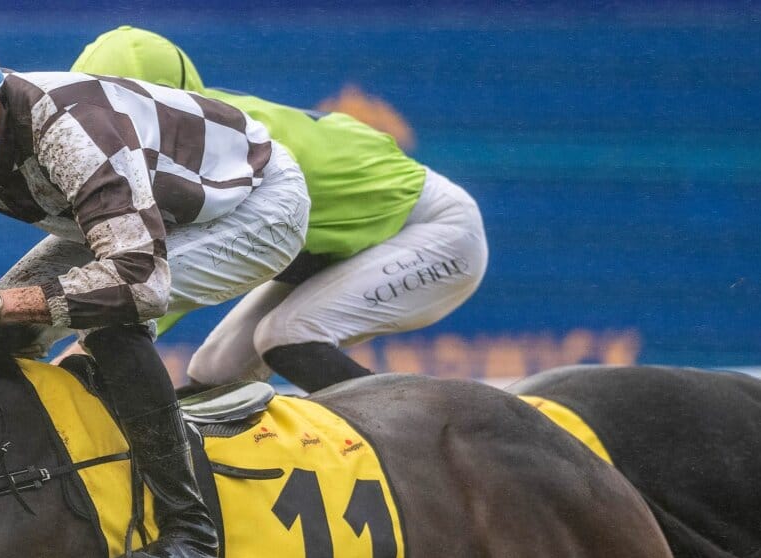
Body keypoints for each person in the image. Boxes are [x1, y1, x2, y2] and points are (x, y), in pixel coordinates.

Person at [0, 18, 310, 558]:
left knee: (106, 316)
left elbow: (138, 282)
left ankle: (194, 538)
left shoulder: (68, 132)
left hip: (256, 207)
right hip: (145, 214)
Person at [73, 26, 488, 393]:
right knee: (215, 371)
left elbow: (155, 280)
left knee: (289, 337)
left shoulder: (212, 154)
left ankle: (424, 437)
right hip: (346, 243)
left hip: (433, 229)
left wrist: (76, 357)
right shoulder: (191, 134)